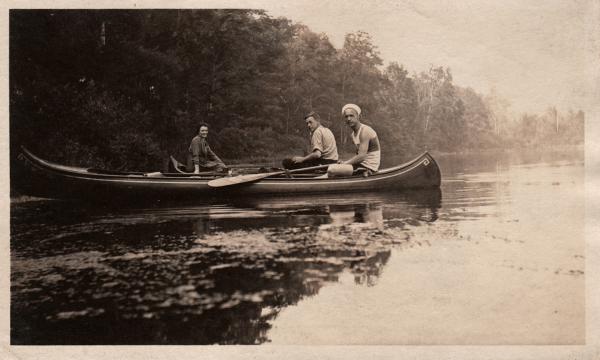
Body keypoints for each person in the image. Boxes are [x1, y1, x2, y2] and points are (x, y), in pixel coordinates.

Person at [339, 103, 380, 173]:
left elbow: (361, 156)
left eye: (351, 116)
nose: (348, 119)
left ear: (359, 116)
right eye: (346, 116)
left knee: (332, 170)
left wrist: (345, 164)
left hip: (369, 167)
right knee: (333, 168)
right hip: (361, 165)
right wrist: (345, 162)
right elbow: (358, 155)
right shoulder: (353, 134)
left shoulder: (365, 131)